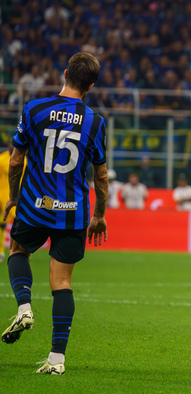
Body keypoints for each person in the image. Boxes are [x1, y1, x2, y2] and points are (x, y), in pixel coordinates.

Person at [2, 52, 108, 375]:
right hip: (74, 213)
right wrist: (100, 215)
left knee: (17, 251)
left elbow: (17, 159)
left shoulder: (34, 109)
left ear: (64, 74)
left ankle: (24, 306)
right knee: (62, 283)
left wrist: (15, 197)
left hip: (35, 206)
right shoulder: (95, 122)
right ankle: (56, 361)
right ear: (90, 85)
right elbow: (101, 177)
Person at [0, 141, 26, 261]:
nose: (12, 145)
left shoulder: (25, 160)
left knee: (19, 222)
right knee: (1, 224)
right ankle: (1, 252)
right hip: (2, 196)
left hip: (19, 196)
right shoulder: (1, 159)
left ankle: (20, 250)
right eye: (11, 143)